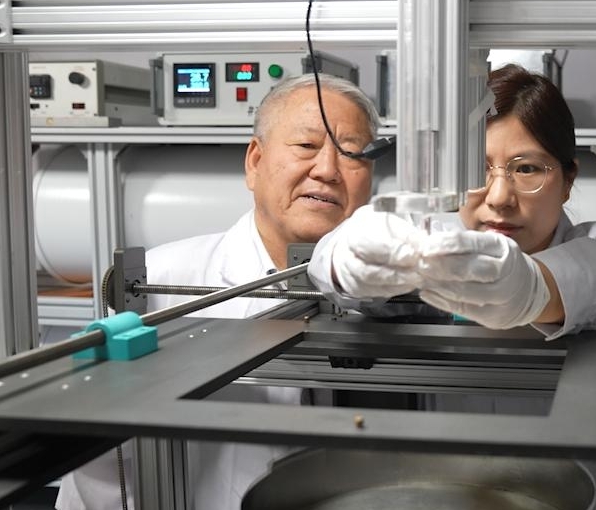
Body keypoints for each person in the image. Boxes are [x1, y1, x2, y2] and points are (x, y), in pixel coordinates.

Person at [308, 63, 596, 509]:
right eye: (478, 169)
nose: (499, 197)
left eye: (527, 169)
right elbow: (329, 257)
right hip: (451, 495)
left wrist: (535, 289)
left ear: (568, 180)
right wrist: (346, 259)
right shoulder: (435, 239)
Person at [56, 73, 382, 510]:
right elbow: (98, 474)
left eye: (351, 153)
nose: (327, 170)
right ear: (255, 162)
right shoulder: (162, 282)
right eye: (306, 145)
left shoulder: (394, 297)